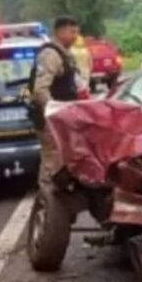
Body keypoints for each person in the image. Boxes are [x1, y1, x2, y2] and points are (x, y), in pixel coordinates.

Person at [29, 16, 83, 191]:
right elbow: (40, 90)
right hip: (50, 119)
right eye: (72, 32)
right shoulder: (50, 54)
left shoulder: (64, 53)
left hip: (62, 118)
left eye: (77, 32)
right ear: (59, 32)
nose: (75, 36)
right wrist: (53, 112)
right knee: (51, 158)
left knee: (63, 157)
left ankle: (57, 195)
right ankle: (47, 198)